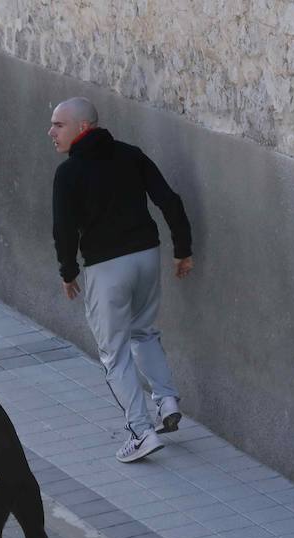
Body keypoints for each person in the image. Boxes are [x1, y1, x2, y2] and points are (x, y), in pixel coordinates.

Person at [49, 96, 194, 463]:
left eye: (58, 125)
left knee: (113, 353)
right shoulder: (131, 154)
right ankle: (166, 399)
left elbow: (63, 229)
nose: (51, 132)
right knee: (144, 332)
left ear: (83, 127)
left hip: (107, 268)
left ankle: (141, 432)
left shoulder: (69, 173)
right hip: (147, 257)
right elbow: (169, 199)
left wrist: (68, 271)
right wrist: (182, 249)